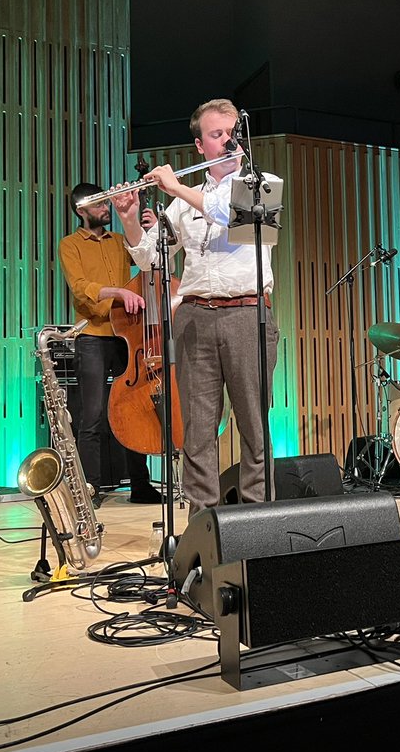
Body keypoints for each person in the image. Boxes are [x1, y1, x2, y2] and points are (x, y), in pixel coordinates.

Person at [113, 98, 279, 515]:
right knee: (198, 430)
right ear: (200, 146)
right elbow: (152, 257)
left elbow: (231, 216)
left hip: (248, 315)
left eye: (232, 133)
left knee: (254, 428)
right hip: (194, 318)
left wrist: (175, 188)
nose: (228, 141)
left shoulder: (262, 183)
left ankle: (259, 521)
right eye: (217, 134)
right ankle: (201, 528)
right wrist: (131, 218)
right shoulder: (184, 200)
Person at [57, 185, 162, 504]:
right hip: (92, 336)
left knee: (133, 409)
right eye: (100, 204)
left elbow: (149, 261)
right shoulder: (69, 245)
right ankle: (91, 488)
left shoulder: (119, 241)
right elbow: (80, 288)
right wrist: (118, 293)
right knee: (92, 415)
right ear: (81, 210)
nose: (106, 208)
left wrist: (149, 229)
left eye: (106, 203)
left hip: (127, 336)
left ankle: (140, 485)